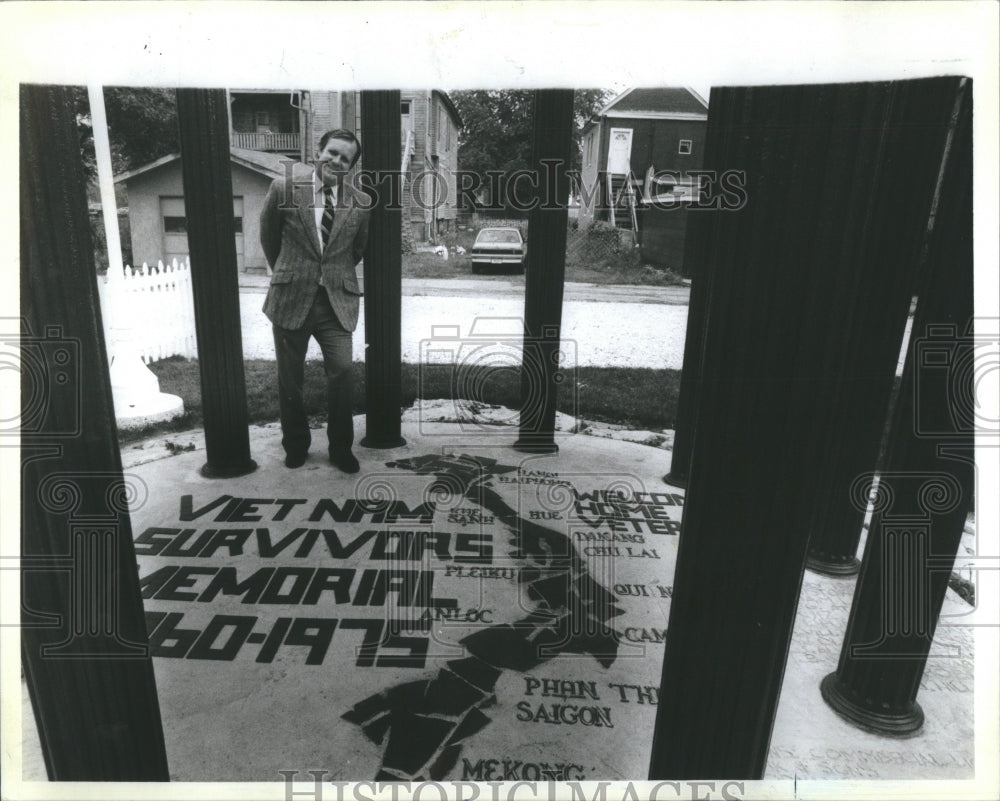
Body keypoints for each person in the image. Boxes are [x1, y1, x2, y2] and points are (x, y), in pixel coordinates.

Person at [260, 128, 369, 472]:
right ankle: (295, 445)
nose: (336, 161)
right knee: (290, 379)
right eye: (332, 153)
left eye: (344, 158)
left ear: (351, 166)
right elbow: (269, 239)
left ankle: (340, 449)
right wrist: (293, 272)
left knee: (342, 373)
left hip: (337, 301)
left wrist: (330, 275)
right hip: (291, 298)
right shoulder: (284, 188)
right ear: (318, 150)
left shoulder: (361, 201)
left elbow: (356, 250)